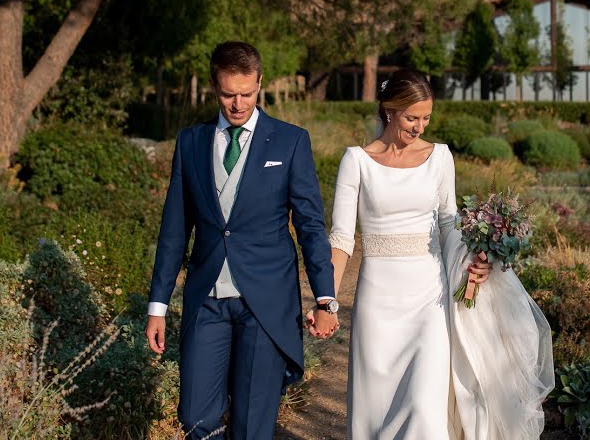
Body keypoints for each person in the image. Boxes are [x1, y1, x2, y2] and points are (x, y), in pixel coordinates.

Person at [326, 69, 555, 440]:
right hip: (378, 297)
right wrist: (327, 299)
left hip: (429, 298)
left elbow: (449, 225)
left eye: (426, 118)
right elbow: (341, 238)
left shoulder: (440, 157)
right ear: (388, 110)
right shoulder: (356, 161)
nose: (419, 127)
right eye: (411, 117)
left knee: (423, 403)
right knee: (376, 405)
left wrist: (473, 264)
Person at [144, 41, 339, 440]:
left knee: (253, 427)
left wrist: (325, 297)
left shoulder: (290, 141)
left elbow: (310, 226)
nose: (238, 104)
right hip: (208, 300)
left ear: (260, 84)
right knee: (196, 417)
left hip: (266, 304)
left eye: (247, 94)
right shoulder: (191, 142)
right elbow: (174, 230)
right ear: (214, 88)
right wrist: (158, 306)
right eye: (228, 94)